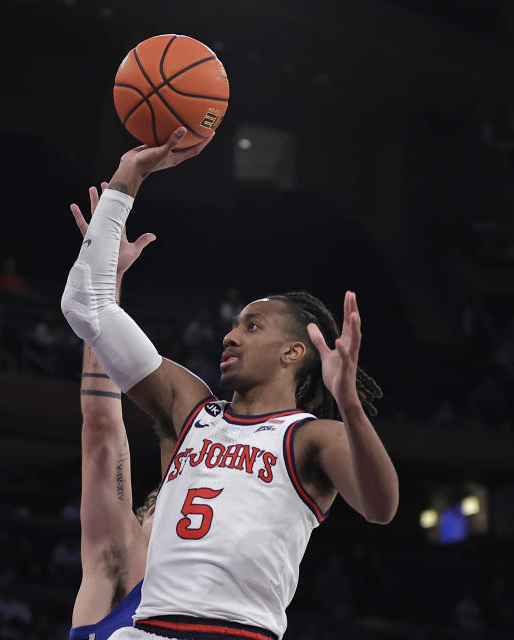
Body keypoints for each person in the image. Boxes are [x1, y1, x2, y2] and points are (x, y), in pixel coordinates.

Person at [60, 127, 398, 640]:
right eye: (235, 324)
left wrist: (348, 404)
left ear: (294, 352)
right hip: (149, 630)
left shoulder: (310, 437)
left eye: (252, 326)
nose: (231, 335)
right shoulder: (189, 406)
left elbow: (380, 508)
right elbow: (87, 306)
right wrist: (127, 180)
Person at [68, 183, 172, 640]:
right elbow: (102, 424)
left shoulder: (227, 599)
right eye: (165, 503)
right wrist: (107, 278)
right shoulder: (124, 555)